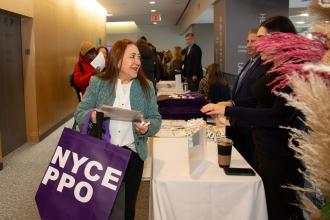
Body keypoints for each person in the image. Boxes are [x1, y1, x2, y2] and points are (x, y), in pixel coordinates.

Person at [201, 16, 308, 220]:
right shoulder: (273, 66)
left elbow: (278, 116)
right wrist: (231, 104)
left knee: (282, 210)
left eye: (261, 38)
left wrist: (230, 111)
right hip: (264, 150)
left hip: (281, 156)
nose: (257, 44)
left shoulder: (292, 71)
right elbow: (258, 101)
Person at [74, 39, 161, 220]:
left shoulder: (146, 87)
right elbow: (79, 113)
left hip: (133, 154)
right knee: (102, 205)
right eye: (132, 57)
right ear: (118, 60)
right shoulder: (98, 83)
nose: (137, 62)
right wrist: (91, 115)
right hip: (103, 154)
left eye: (138, 57)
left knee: (128, 207)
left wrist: (147, 127)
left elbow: (156, 118)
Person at [226, 28, 266, 167]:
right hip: (239, 122)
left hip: (249, 124)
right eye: (247, 41)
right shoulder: (250, 62)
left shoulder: (264, 65)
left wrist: (232, 104)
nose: (249, 44)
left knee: (249, 164)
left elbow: (255, 98)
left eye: (253, 41)